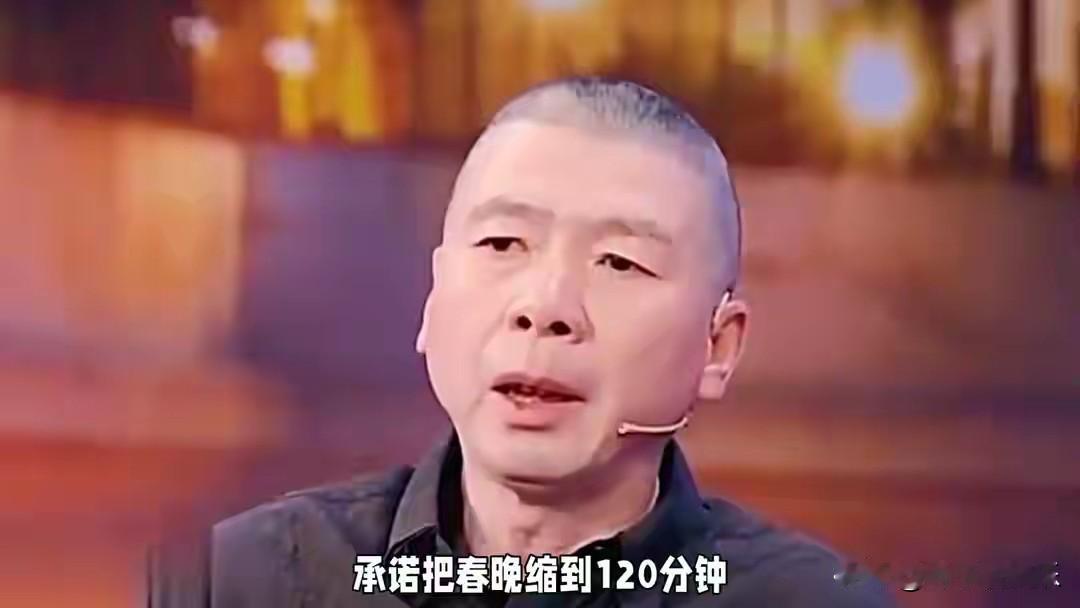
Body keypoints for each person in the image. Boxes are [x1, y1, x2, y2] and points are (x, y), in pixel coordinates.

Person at [149, 77, 895, 607]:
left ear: (719, 346)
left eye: (620, 263)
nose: (545, 308)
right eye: (503, 243)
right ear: (434, 300)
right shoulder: (238, 582)